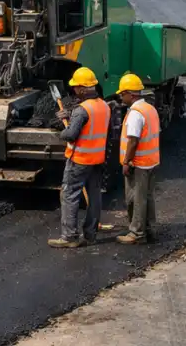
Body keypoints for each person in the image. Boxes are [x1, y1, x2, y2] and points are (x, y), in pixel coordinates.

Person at [48, 67, 111, 249]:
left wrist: (62, 129)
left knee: (69, 195)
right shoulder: (104, 106)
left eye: (76, 87)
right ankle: (90, 235)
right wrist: (70, 115)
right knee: (95, 197)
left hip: (80, 160)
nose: (74, 90)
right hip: (98, 159)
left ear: (83, 88)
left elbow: (71, 134)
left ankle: (69, 237)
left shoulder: (82, 110)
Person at [116, 73, 160, 245]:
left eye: (123, 93)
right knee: (147, 197)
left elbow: (133, 141)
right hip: (152, 161)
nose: (120, 96)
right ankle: (149, 229)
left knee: (136, 198)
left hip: (139, 163)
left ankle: (137, 233)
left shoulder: (135, 113)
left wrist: (126, 162)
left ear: (131, 94)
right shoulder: (150, 109)